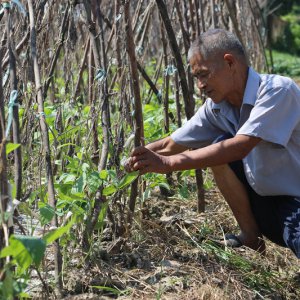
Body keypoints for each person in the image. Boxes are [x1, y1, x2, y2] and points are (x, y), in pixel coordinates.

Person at [125, 28, 300, 258]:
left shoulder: (277, 91)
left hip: (295, 199)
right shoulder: (218, 108)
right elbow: (170, 144)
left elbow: (241, 146)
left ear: (229, 62)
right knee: (219, 146)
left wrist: (168, 164)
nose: (200, 85)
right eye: (196, 77)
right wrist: (136, 159)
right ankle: (250, 236)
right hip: (266, 202)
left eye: (204, 75)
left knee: (223, 148)